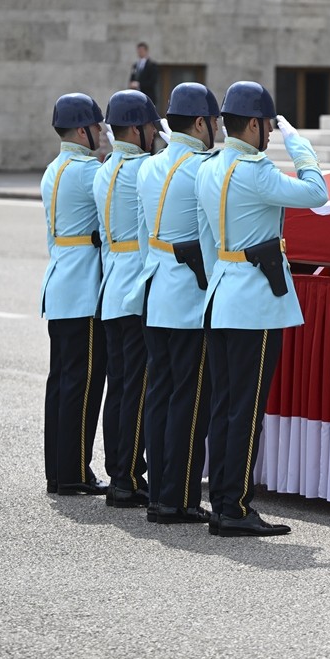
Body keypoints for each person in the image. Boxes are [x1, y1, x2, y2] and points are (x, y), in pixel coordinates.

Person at [195, 81, 329, 537]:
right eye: (269, 127)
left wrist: (222, 280)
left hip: (222, 297)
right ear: (252, 124)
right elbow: (317, 192)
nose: (271, 135)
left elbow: (208, 240)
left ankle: (223, 502)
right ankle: (235, 507)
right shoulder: (255, 170)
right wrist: (302, 147)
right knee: (248, 408)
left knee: (225, 405)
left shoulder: (209, 168)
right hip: (254, 305)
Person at [125, 82, 218, 525]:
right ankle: (177, 498)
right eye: (214, 121)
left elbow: (145, 236)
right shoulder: (203, 168)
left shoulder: (149, 167)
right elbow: (210, 238)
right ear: (201, 122)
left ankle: (159, 492)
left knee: (158, 394)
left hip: (155, 289)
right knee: (190, 398)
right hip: (189, 297)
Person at [93, 90, 160, 508]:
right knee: (135, 386)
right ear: (137, 129)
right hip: (135, 284)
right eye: (152, 125)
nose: (156, 132)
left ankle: (118, 469)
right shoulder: (145, 169)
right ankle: (128, 479)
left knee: (118, 386)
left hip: (111, 283)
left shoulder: (104, 170)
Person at [41, 93, 107, 496]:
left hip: (59, 283)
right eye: (98, 126)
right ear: (82, 130)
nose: (101, 133)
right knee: (83, 385)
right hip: (83, 289)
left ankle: (59, 470)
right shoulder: (87, 172)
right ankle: (75, 473)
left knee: (61, 384)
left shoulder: (53, 169)